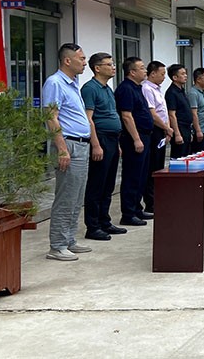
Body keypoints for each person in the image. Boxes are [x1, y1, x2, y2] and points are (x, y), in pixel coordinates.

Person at [41, 43, 93, 261]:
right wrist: (62, 149)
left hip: (81, 145)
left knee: (77, 196)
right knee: (66, 196)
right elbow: (51, 117)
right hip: (69, 144)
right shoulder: (55, 83)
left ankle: (69, 239)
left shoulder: (73, 83)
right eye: (82, 58)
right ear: (67, 60)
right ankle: (58, 245)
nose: (85, 63)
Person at [80, 53, 126, 242]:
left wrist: (118, 144)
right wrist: (96, 145)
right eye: (109, 64)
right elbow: (88, 119)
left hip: (113, 139)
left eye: (113, 64)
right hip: (101, 138)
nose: (113, 67)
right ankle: (93, 226)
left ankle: (104, 221)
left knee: (108, 184)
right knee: (97, 184)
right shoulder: (90, 89)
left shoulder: (107, 89)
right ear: (97, 68)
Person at [116, 57, 153, 227]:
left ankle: (137, 208)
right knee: (132, 175)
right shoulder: (126, 89)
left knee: (141, 175)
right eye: (142, 68)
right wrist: (136, 138)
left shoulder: (138, 88)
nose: (145, 71)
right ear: (132, 72)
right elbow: (126, 116)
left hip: (145, 136)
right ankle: (128, 213)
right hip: (133, 138)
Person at [142, 61, 174, 215]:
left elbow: (163, 111)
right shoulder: (147, 89)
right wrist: (166, 128)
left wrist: (167, 129)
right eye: (162, 74)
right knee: (152, 167)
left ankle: (157, 200)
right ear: (153, 73)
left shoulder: (158, 89)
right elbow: (153, 114)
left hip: (162, 130)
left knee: (159, 166)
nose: (164, 77)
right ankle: (150, 203)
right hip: (155, 130)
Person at [164, 64, 192, 159]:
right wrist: (177, 134)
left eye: (185, 73)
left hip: (187, 128)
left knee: (187, 157)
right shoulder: (171, 92)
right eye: (182, 74)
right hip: (179, 128)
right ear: (175, 77)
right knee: (179, 157)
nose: (186, 76)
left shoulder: (182, 91)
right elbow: (172, 115)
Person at [188, 68, 204, 152]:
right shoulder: (193, 93)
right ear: (198, 79)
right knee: (199, 153)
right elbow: (194, 113)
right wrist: (198, 130)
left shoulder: (202, 92)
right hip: (200, 130)